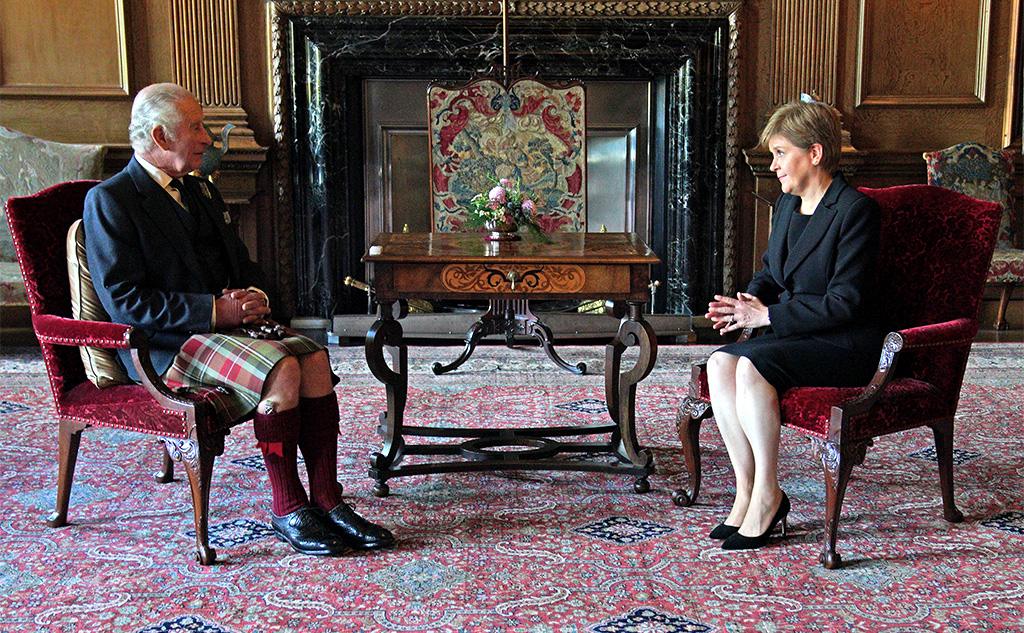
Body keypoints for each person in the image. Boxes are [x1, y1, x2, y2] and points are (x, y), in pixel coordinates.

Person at [84, 83, 395, 557]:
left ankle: (329, 502)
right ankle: (289, 507)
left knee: (312, 357)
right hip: (166, 347)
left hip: (224, 333)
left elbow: (241, 265)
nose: (207, 138)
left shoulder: (199, 189)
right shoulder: (112, 200)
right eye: (196, 127)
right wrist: (215, 310)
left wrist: (253, 295)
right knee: (283, 368)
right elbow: (126, 303)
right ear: (160, 136)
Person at [704, 97, 882, 550]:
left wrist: (766, 316)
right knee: (719, 364)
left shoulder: (854, 211)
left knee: (749, 368)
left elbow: (846, 303)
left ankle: (768, 492)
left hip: (844, 341)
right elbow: (771, 272)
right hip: (795, 330)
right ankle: (746, 491)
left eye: (782, 152)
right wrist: (745, 301)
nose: (774, 164)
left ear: (815, 153)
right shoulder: (786, 206)